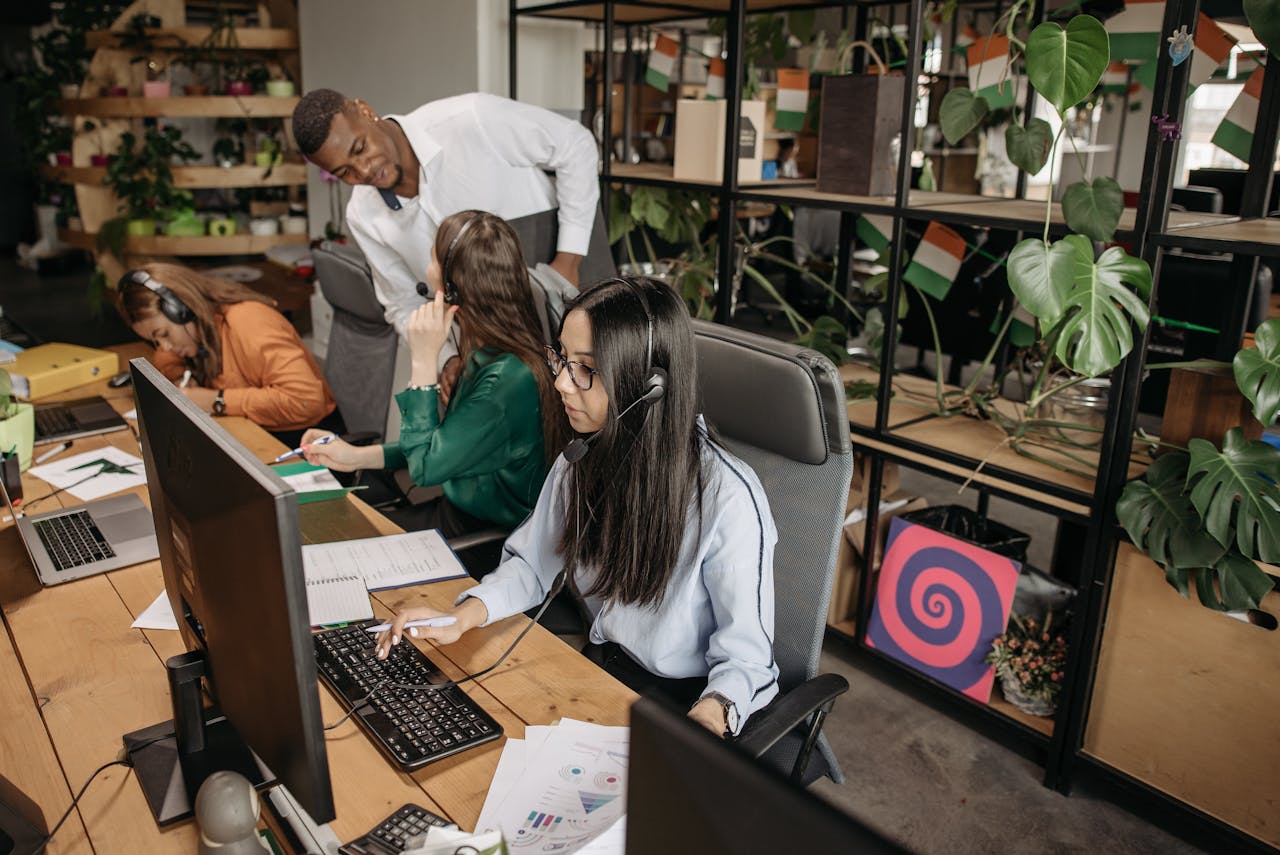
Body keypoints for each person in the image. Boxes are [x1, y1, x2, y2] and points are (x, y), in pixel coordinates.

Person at [375, 277, 780, 738]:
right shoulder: (584, 457)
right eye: (562, 360)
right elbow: (532, 565)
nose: (562, 383)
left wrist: (706, 721)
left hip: (684, 702)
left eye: (586, 368)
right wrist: (461, 616)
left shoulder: (726, 499)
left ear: (649, 385)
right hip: (600, 670)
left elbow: (747, 660)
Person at [300, 211, 570, 537]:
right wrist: (355, 456)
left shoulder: (508, 380)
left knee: (331, 535)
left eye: (432, 258)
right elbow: (443, 444)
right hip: (456, 511)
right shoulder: (487, 353)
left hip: (486, 535)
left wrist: (424, 360)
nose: (427, 269)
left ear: (452, 286)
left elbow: (426, 466)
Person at [292, 89, 614, 340]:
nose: (363, 170)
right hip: (496, 346)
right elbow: (402, 303)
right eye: (345, 171)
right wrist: (446, 358)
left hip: (571, 284)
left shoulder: (471, 119)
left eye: (360, 148)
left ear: (365, 111)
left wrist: (568, 260)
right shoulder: (363, 216)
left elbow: (576, 144)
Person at [112, 263, 342, 449]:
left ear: (182, 310)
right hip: (254, 434)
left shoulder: (249, 322)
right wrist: (181, 376)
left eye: (163, 334)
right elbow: (165, 358)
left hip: (304, 443)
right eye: (155, 340)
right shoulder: (201, 329)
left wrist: (216, 400)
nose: (166, 346)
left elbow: (306, 401)